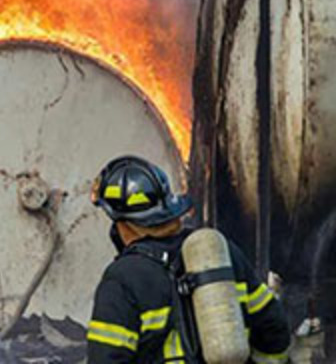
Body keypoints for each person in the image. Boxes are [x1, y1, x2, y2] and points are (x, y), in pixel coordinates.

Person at [87, 156, 292, 363]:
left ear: (123, 224)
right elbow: (274, 329)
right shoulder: (222, 252)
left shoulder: (123, 278)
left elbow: (106, 359)